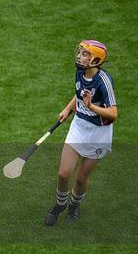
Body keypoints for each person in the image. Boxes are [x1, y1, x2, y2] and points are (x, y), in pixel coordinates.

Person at [44, 40, 117, 226]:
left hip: (98, 134)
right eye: (80, 52)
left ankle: (74, 205)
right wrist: (68, 108)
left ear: (95, 60)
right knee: (63, 174)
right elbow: (79, 93)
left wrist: (91, 106)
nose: (79, 56)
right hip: (79, 127)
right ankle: (60, 205)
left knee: (82, 178)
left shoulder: (104, 81)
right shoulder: (80, 71)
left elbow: (113, 113)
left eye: (85, 54)